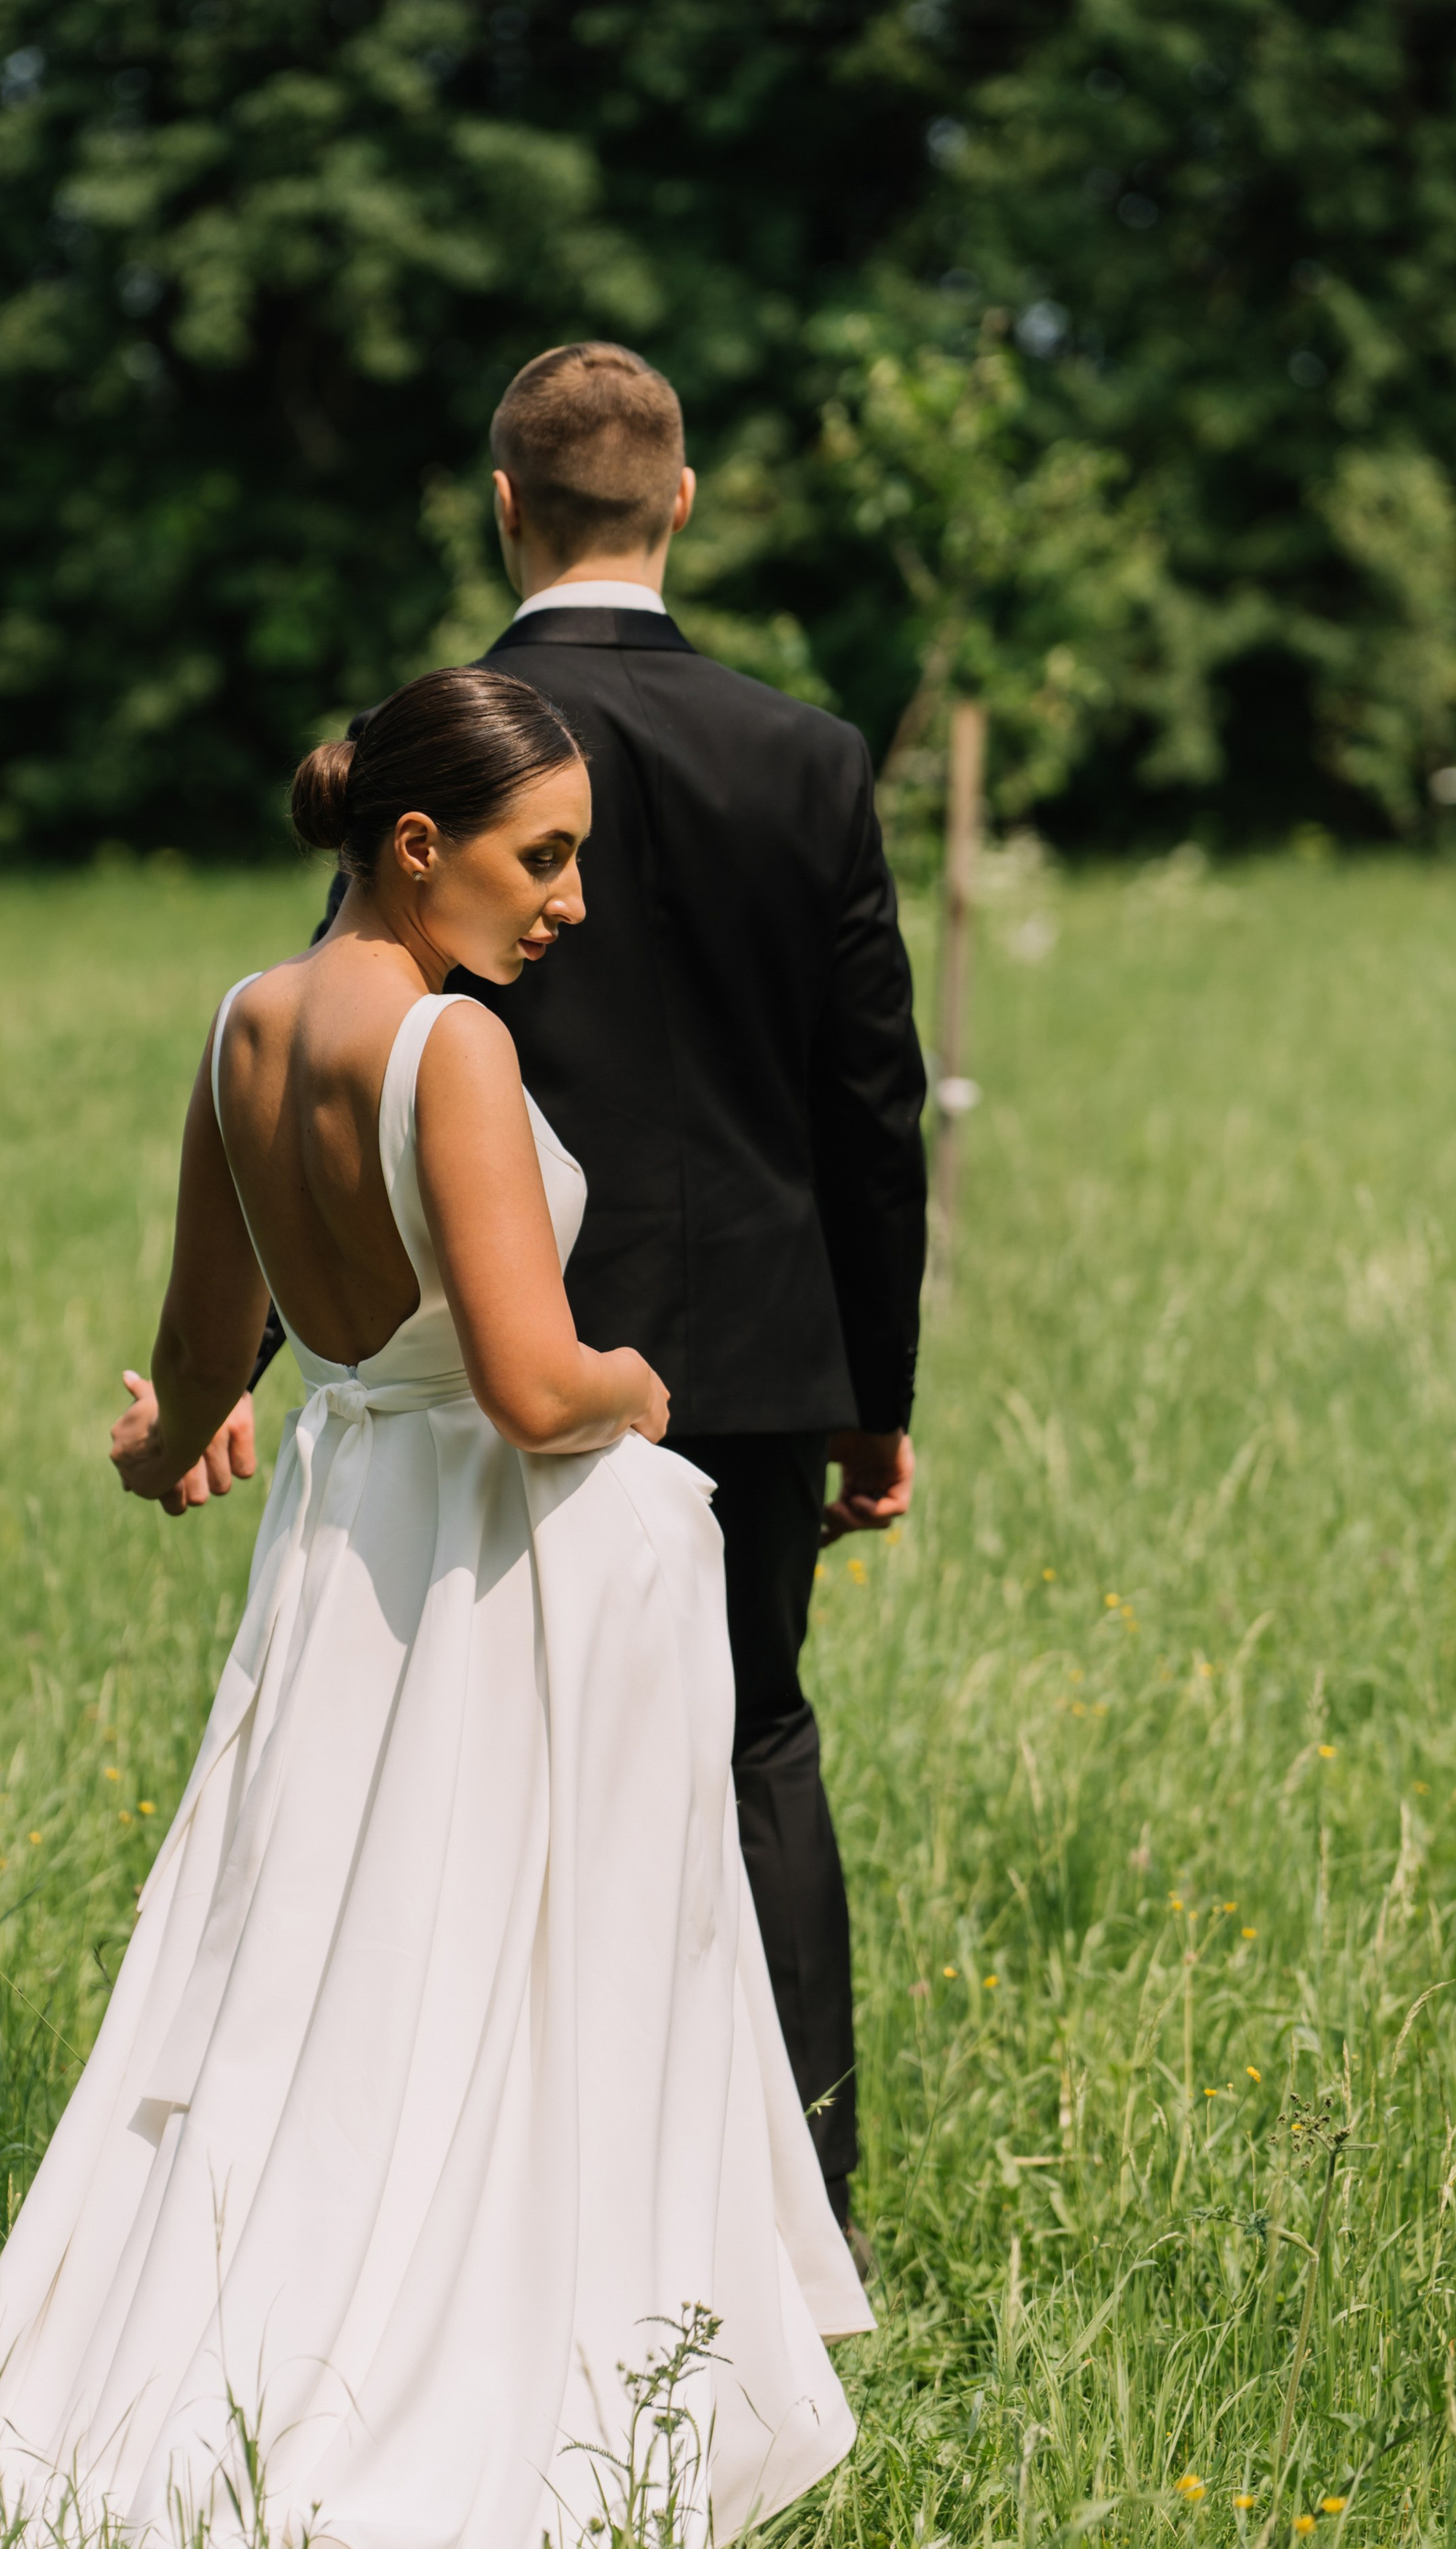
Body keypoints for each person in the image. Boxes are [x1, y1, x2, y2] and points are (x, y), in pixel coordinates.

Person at [0, 667, 872, 2549]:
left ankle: (221, 2365)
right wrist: (646, 1383)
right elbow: (526, 1378)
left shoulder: (245, 1025)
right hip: (495, 1571)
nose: (569, 900)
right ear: (419, 846)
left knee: (305, 1984)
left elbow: (208, 1346)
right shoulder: (453, 1052)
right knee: (494, 1984)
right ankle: (437, 2397)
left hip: (340, 1558)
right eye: (542, 854)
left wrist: (168, 1439)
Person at [187, 344, 928, 2244]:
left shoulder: (447, 746)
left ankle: (506, 2220)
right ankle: (793, 2224)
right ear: (681, 501)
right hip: (748, 1359)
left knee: (481, 1815)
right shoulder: (809, 755)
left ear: (503, 504)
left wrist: (267, 1348)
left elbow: (330, 1076)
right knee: (760, 1741)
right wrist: (876, 1392)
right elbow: (870, 1109)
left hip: (461, 1381)